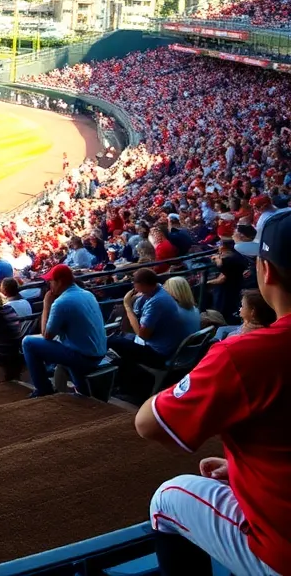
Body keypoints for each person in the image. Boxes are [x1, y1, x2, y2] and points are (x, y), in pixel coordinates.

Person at [136, 209, 291, 576]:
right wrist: (242, 469)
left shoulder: (248, 355)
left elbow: (148, 423)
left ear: (266, 272)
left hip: (284, 554)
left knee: (167, 498)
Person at [22, 264, 107, 397]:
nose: (49, 285)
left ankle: (43, 389)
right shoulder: (87, 294)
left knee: (28, 342)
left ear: (60, 281)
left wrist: (46, 304)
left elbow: (47, 335)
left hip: (85, 358)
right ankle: (81, 389)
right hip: (99, 353)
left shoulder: (61, 302)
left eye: (50, 281)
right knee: (67, 342)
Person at [108, 269, 199, 384]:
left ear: (143, 285)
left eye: (136, 286)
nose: (135, 290)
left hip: (161, 355)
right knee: (124, 339)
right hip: (175, 351)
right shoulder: (171, 298)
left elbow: (142, 335)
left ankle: (120, 383)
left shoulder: (157, 302)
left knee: (112, 341)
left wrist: (127, 305)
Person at [208, 237, 248, 321]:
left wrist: (206, 282)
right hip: (236, 286)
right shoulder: (236, 254)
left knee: (223, 311)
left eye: (219, 245)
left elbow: (221, 279)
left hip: (228, 290)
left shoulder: (228, 260)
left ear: (223, 247)